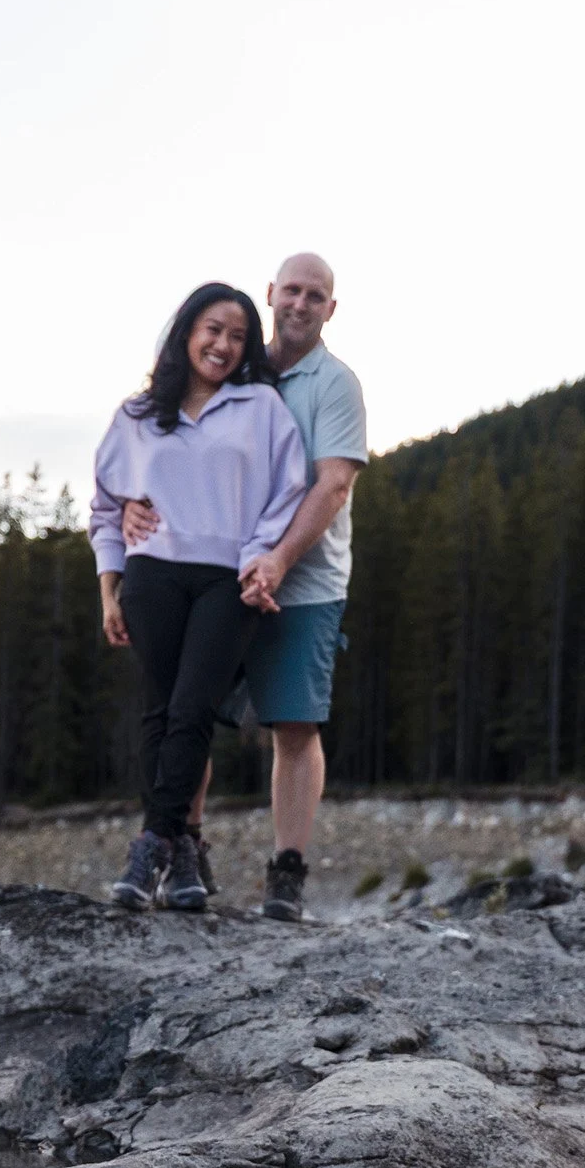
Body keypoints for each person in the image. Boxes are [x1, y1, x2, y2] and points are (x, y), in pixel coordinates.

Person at [125, 252, 366, 921]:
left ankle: (286, 871)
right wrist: (129, 503)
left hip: (306, 583)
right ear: (271, 293)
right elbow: (162, 449)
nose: (300, 303)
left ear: (330, 309)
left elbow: (333, 484)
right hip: (212, 577)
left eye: (315, 295)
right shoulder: (230, 365)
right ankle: (184, 847)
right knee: (190, 712)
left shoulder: (335, 385)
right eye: (291, 289)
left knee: (294, 723)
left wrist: (281, 560)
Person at [91, 282, 307, 912]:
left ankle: (150, 845)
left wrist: (258, 562)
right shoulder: (135, 416)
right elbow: (106, 509)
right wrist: (110, 592)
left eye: (239, 337)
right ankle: (182, 859)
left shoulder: (262, 408)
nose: (223, 344)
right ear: (186, 331)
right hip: (151, 575)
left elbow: (286, 495)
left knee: (192, 709)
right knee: (161, 712)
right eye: (213, 329)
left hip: (227, 579)